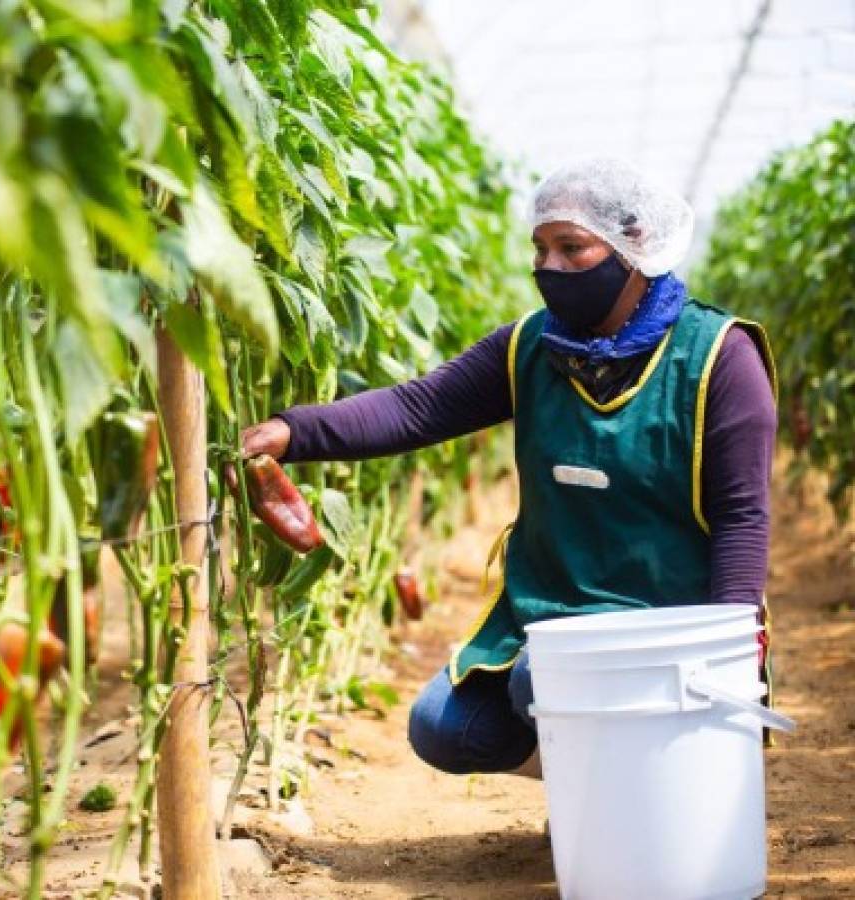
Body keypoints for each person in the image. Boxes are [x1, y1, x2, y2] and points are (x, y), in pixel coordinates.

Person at [240, 157, 777, 778]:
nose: (548, 267)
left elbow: (743, 515)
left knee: (544, 684)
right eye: (540, 248)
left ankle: (640, 790)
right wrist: (294, 431)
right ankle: (609, 787)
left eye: (571, 248)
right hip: (556, 619)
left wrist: (727, 650)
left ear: (636, 247)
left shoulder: (718, 357)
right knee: (446, 726)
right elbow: (420, 407)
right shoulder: (530, 347)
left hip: (667, 630)